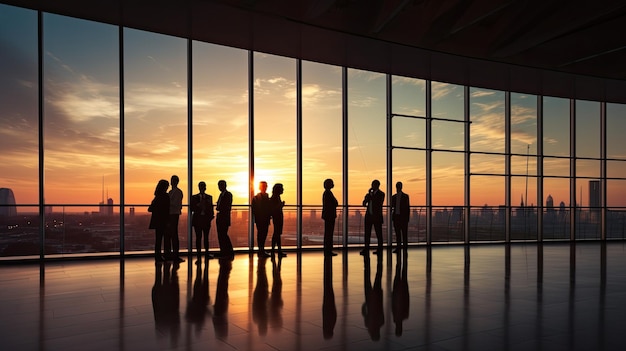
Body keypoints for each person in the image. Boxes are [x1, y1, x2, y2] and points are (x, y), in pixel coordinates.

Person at [190, 181, 215, 259]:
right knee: (198, 237)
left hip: (205, 219)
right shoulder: (194, 197)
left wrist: (210, 217)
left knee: (206, 237)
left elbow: (211, 208)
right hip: (198, 220)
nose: (202, 188)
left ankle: (205, 253)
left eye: (203, 186)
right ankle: (199, 254)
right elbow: (192, 208)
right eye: (201, 186)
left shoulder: (209, 197)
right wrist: (198, 205)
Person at [361, 179, 385, 255]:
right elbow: (364, 203)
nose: (372, 186)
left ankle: (380, 250)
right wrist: (367, 198)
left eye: (373, 184)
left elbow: (378, 203)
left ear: (377, 185)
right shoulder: (369, 195)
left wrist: (370, 195)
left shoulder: (381, 194)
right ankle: (366, 249)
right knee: (367, 234)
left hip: (376, 217)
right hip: (369, 217)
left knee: (379, 234)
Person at [149, 179, 170, 261]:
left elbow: (150, 209)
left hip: (157, 220)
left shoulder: (157, 197)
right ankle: (164, 255)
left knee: (158, 239)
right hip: (163, 220)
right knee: (165, 238)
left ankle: (157, 255)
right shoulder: (166, 196)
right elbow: (167, 210)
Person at [215, 180, 234, 259]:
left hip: (224, 217)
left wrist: (219, 207)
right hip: (221, 217)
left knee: (223, 235)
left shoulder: (227, 194)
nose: (220, 187)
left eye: (221, 185)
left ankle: (227, 251)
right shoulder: (222, 194)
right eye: (219, 185)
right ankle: (224, 251)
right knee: (221, 235)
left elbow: (225, 206)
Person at [252, 181, 271, 258]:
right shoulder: (260, 197)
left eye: (266, 186)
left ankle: (261, 250)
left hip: (262, 218)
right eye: (264, 186)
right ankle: (261, 250)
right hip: (262, 218)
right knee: (262, 235)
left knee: (262, 234)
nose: (265, 187)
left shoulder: (257, 197)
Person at [168, 175, 184, 262]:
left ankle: (175, 254)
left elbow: (176, 204)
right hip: (171, 214)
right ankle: (173, 254)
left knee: (174, 234)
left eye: (173, 180)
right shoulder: (171, 192)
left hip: (174, 214)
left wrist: (168, 202)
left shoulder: (177, 192)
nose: (172, 182)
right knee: (172, 234)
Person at [391, 181, 410, 252]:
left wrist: (407, 218)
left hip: (402, 218)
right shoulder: (394, 197)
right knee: (398, 234)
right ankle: (399, 248)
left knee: (403, 233)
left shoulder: (405, 196)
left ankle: (403, 247)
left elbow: (407, 208)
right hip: (397, 217)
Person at [322, 179, 338, 256]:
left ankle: (327, 250)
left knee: (328, 233)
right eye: (332, 183)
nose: (333, 184)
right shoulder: (328, 193)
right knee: (329, 233)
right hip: (330, 215)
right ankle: (328, 250)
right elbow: (335, 203)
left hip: (327, 215)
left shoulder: (326, 193)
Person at [269, 183, 286, 257]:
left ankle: (276, 250)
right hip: (277, 217)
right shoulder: (276, 198)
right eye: (282, 188)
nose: (283, 189)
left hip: (277, 217)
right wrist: (281, 205)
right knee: (277, 233)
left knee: (277, 233)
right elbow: (275, 208)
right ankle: (276, 250)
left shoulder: (275, 197)